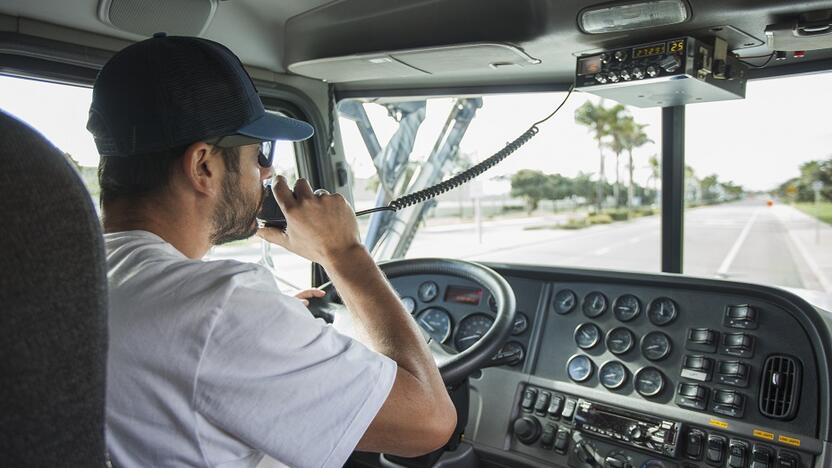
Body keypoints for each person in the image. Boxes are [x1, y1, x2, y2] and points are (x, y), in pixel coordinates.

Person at [88, 34, 455, 468]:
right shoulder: (222, 309)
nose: (266, 171)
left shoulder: (73, 273)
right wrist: (343, 252)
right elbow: (430, 422)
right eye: (258, 154)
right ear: (203, 166)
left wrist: (278, 327)